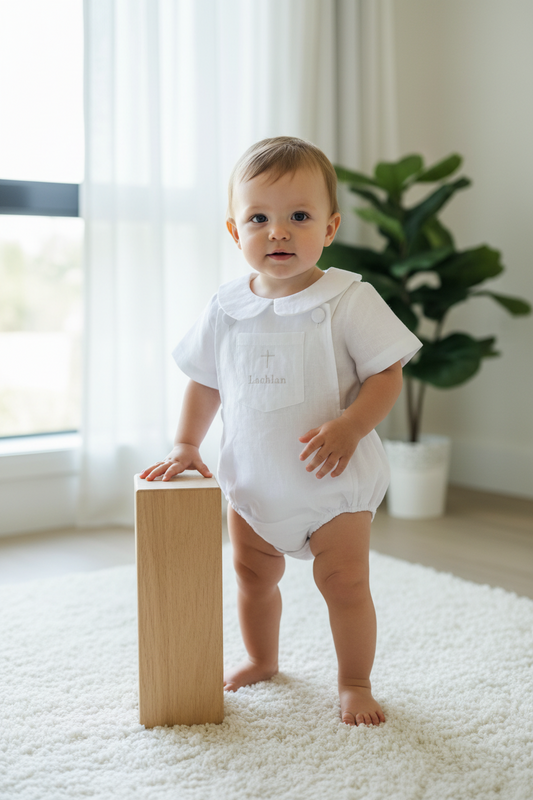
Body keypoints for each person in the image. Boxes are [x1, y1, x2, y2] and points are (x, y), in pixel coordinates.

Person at [141, 136, 422, 726]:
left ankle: (354, 681)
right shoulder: (225, 307)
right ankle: (261, 658)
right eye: (259, 218)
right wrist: (188, 444)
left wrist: (351, 426)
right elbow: (205, 381)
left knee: (344, 582)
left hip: (332, 485)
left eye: (299, 216)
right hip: (255, 483)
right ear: (233, 230)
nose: (279, 231)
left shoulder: (348, 297)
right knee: (251, 576)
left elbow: (387, 374)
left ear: (330, 226)